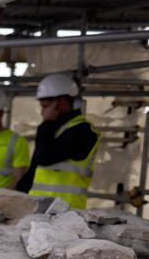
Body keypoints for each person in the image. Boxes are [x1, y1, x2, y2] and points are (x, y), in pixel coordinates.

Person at [16, 74, 101, 209]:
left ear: (61, 103)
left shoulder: (82, 131)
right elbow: (33, 172)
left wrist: (46, 123)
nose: (42, 112)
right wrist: (15, 199)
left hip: (67, 211)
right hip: (40, 210)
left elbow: (45, 157)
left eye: (45, 106)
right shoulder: (54, 130)